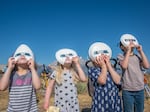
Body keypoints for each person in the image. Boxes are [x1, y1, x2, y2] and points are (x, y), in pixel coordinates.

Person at [0, 44, 41, 112]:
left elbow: (37, 86)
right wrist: (9, 68)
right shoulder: (11, 74)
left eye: (26, 54)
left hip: (31, 110)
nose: (22, 55)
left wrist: (33, 69)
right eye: (19, 54)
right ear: (14, 59)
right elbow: (2, 87)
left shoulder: (32, 74)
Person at [117, 34, 150, 112]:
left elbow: (147, 66)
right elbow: (124, 66)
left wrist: (141, 51)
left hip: (140, 89)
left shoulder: (138, 56)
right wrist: (128, 51)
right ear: (122, 47)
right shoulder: (120, 56)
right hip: (127, 90)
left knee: (139, 110)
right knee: (128, 110)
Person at [87, 42, 122, 112]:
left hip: (114, 99)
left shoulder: (112, 69)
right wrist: (103, 66)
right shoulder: (92, 70)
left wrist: (108, 65)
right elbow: (102, 81)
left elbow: (118, 81)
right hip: (101, 100)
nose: (102, 55)